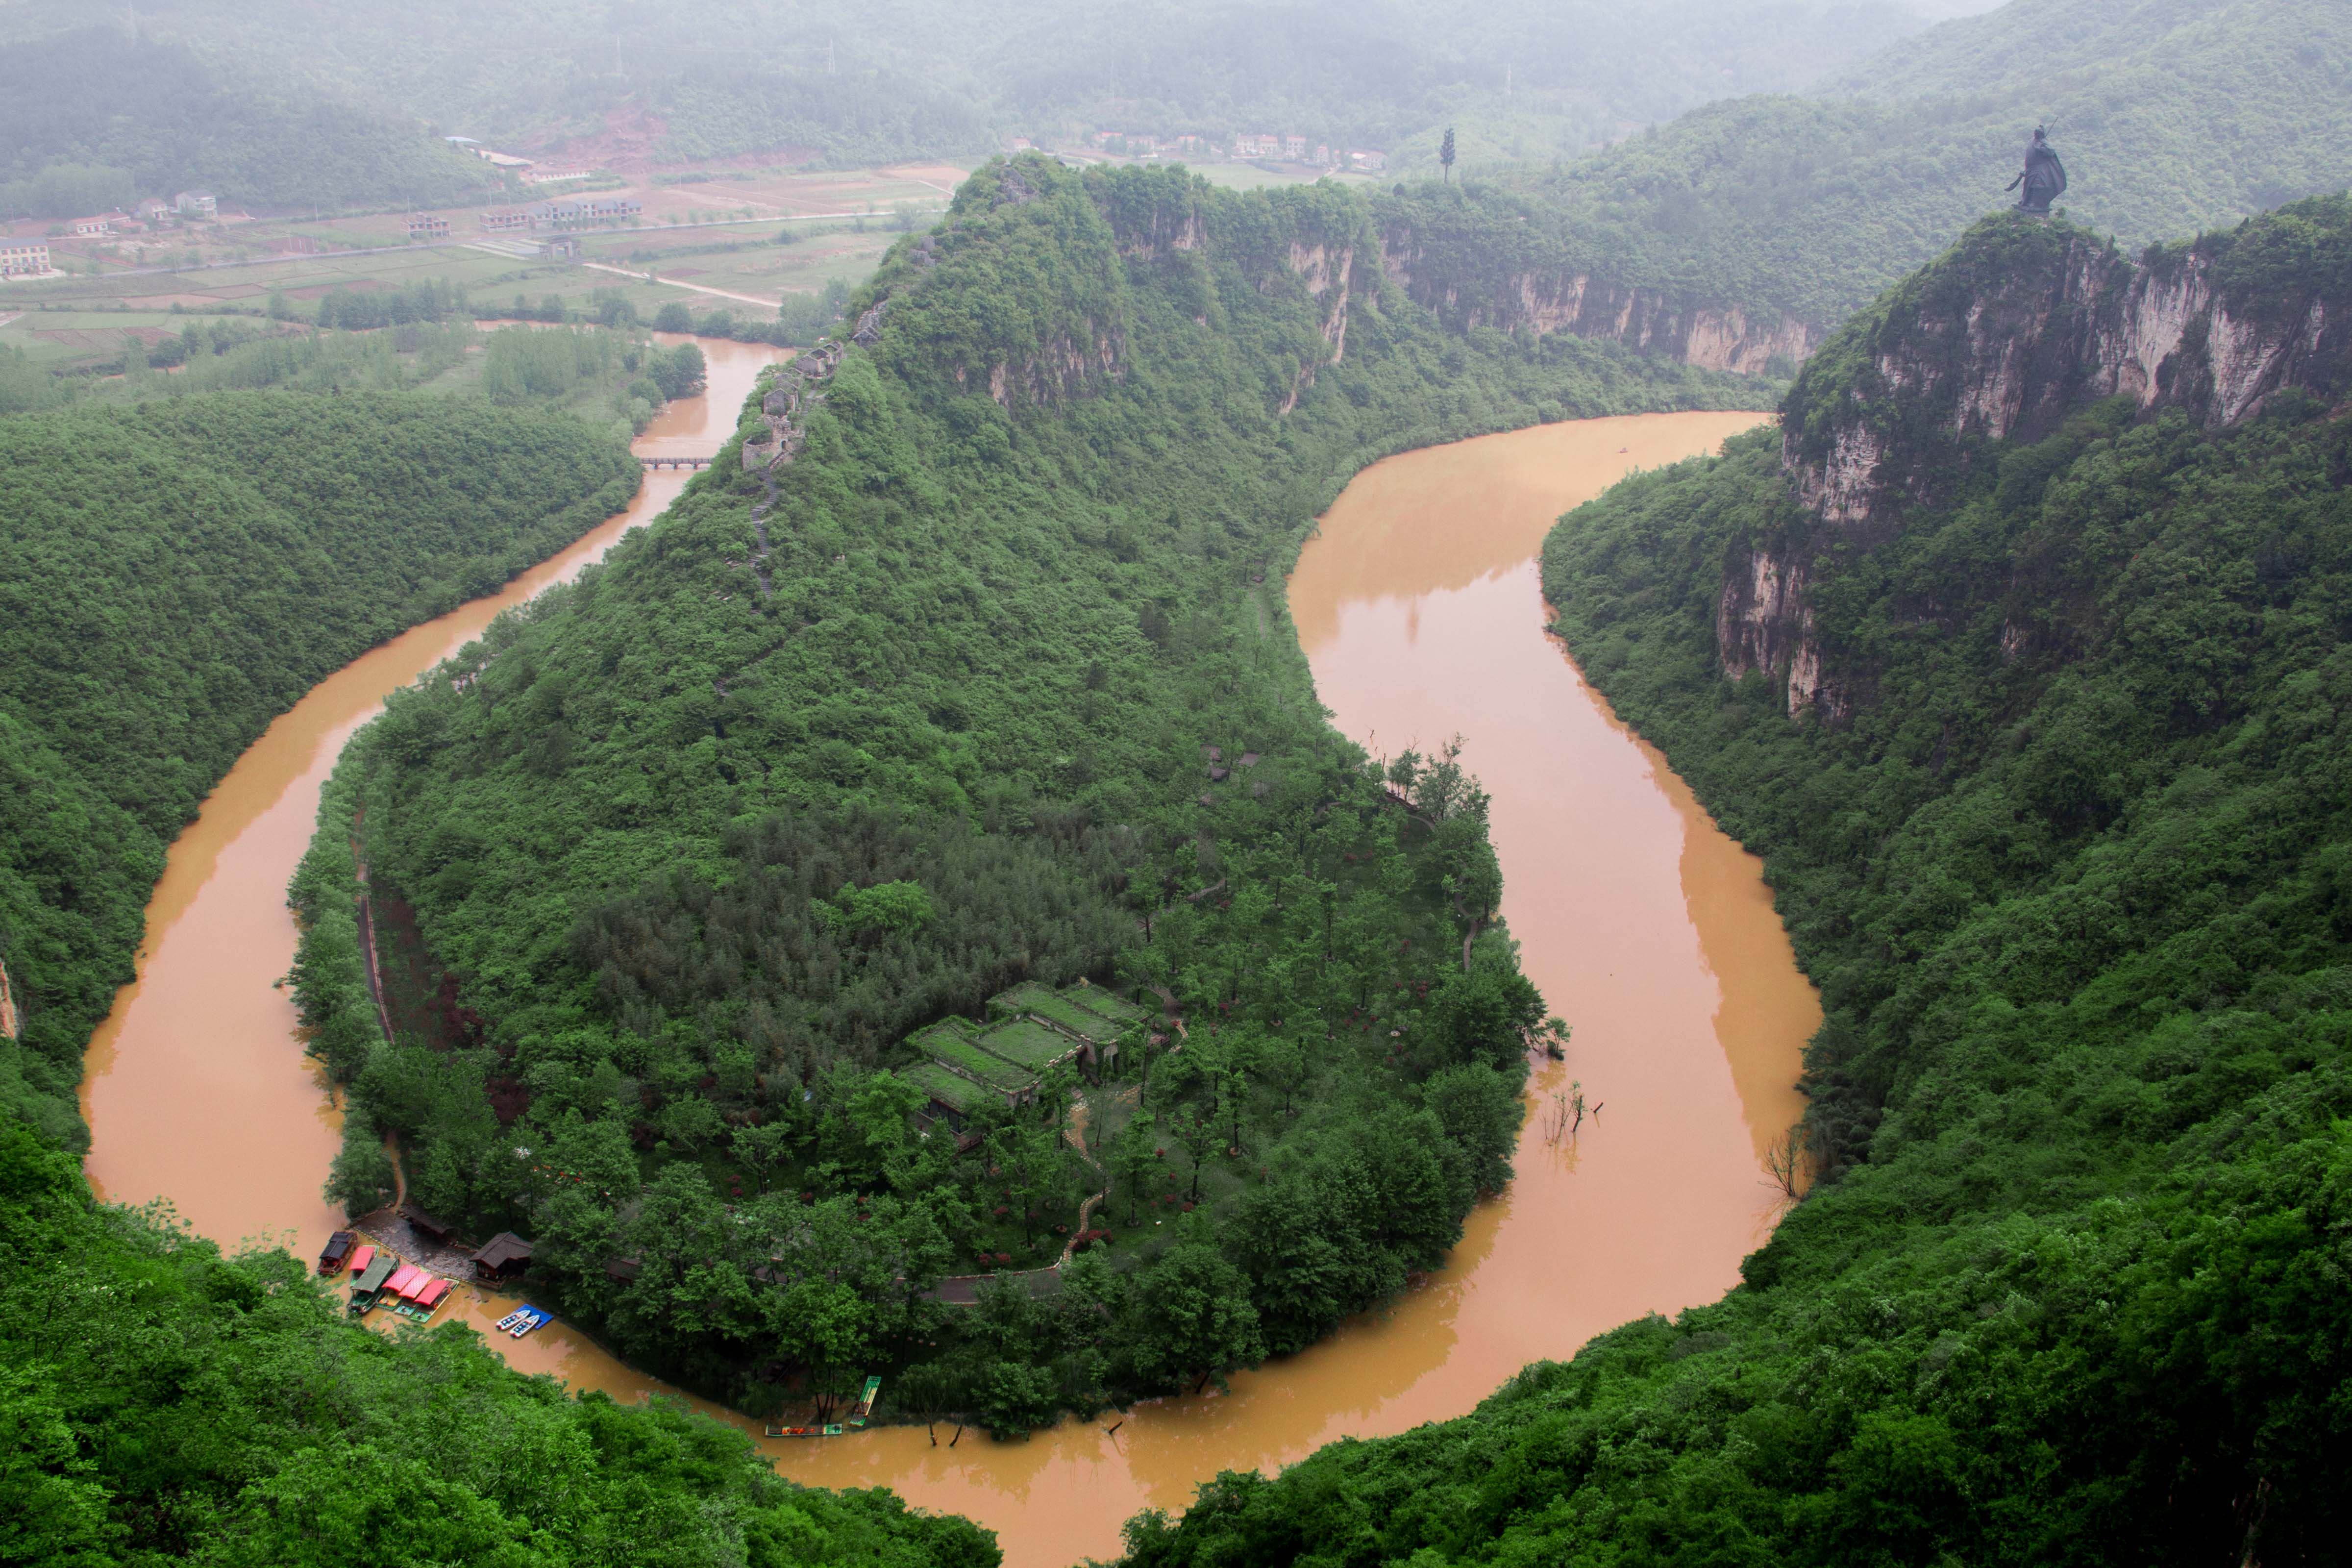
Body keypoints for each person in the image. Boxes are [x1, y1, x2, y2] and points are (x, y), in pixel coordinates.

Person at [2006, 127, 2068, 215]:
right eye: (2036, 133)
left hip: (2040, 168)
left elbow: (2051, 152)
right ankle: (2026, 201)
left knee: (2037, 185)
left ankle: (2035, 203)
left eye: (2038, 134)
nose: (2036, 135)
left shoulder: (2043, 142)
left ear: (2041, 135)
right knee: (2028, 185)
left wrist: (2042, 148)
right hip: (2030, 169)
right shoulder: (2033, 142)